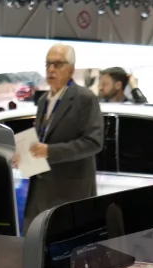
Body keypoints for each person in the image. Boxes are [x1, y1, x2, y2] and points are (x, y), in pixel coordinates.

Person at [17, 43, 103, 224]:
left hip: (70, 195)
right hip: (40, 192)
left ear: (71, 69)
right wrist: (24, 156)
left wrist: (50, 151)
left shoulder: (85, 99)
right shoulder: (43, 100)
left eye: (58, 64)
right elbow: (41, 140)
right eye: (48, 64)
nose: (51, 69)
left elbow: (93, 142)